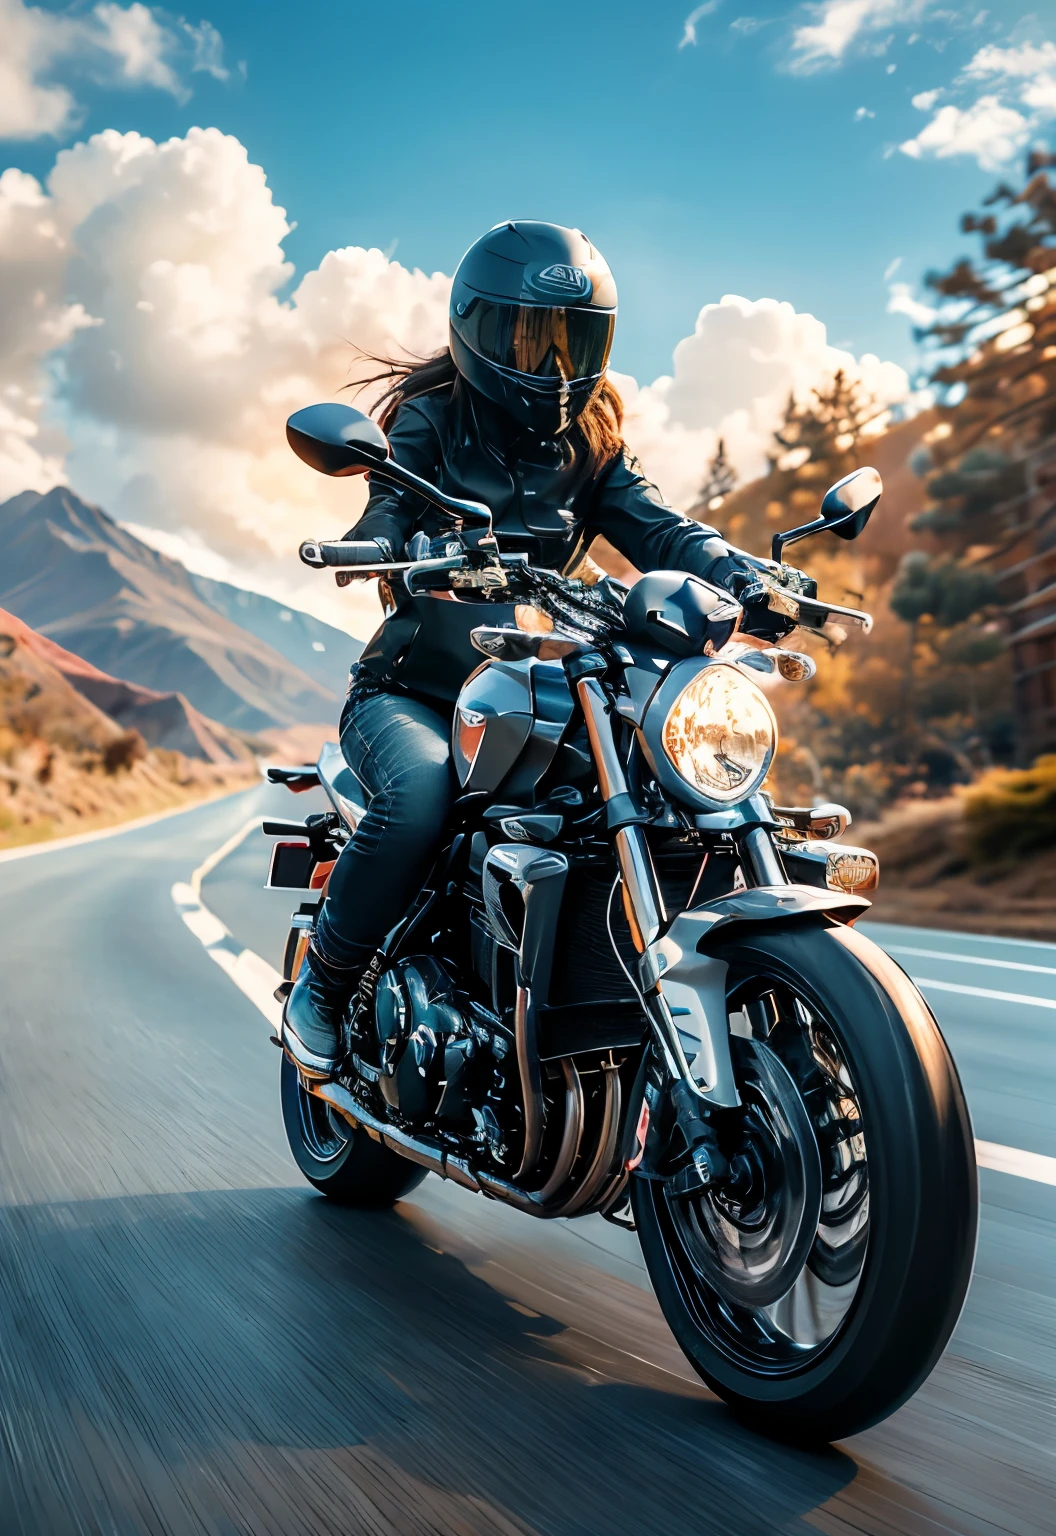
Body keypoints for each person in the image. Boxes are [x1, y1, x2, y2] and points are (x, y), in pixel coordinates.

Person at [282, 220, 773, 1078]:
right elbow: (391, 502)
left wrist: (738, 572)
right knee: (419, 803)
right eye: (529, 339)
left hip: (544, 690)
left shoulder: (594, 440)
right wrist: (380, 542)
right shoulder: (433, 421)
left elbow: (659, 527)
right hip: (416, 692)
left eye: (571, 343)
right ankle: (322, 989)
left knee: (677, 792)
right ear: (476, 327)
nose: (551, 367)